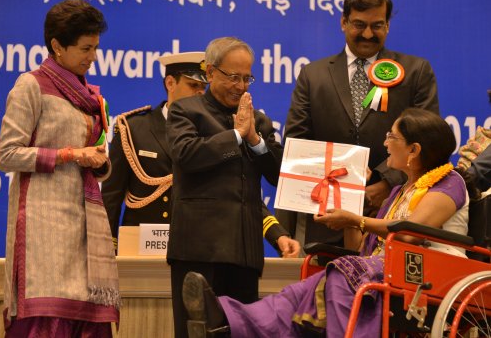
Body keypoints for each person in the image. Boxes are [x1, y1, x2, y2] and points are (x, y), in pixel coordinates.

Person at [181, 108, 479, 338]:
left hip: (428, 271)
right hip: (385, 268)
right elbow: (360, 248)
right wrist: (347, 213)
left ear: (413, 150)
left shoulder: (449, 182)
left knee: (340, 276)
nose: (385, 143)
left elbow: (410, 234)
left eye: (392, 137)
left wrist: (356, 219)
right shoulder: (400, 191)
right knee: (299, 292)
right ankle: (225, 320)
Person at [276, 0, 440, 250]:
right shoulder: (313, 75)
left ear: (387, 25)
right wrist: (340, 190)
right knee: (322, 287)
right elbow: (297, 140)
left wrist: (387, 182)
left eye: (377, 26)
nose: (367, 34)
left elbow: (428, 139)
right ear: (343, 23)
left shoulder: (416, 72)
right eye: (359, 25)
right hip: (324, 214)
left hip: (392, 212)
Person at [0, 0, 119, 337]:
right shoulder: (31, 85)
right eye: (85, 48)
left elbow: (93, 156)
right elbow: (6, 154)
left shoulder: (91, 96)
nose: (93, 56)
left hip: (85, 227)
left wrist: (98, 160)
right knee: (48, 320)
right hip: (44, 229)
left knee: (89, 319)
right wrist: (68, 155)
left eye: (95, 47)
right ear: (57, 46)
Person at [166, 36, 301, 338]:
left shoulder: (259, 122)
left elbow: (279, 176)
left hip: (244, 253)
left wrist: (254, 139)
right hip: (199, 250)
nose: (240, 86)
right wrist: (236, 136)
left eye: (246, 78)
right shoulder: (185, 111)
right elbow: (186, 156)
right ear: (211, 72)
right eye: (232, 77)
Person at [101, 52, 208, 247]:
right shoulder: (133, 128)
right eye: (193, 85)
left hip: (192, 245)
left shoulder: (211, 133)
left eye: (203, 87)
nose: (200, 92)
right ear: (170, 83)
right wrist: (108, 247)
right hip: (140, 247)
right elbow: (111, 196)